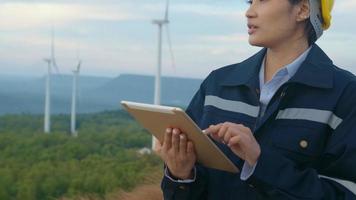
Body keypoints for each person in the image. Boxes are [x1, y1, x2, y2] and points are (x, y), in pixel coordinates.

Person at [157, 0, 356, 199]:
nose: (249, 12)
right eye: (250, 2)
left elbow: (346, 194)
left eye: (262, 1)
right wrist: (180, 175)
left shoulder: (346, 94)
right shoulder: (217, 85)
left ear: (303, 10)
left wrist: (259, 162)